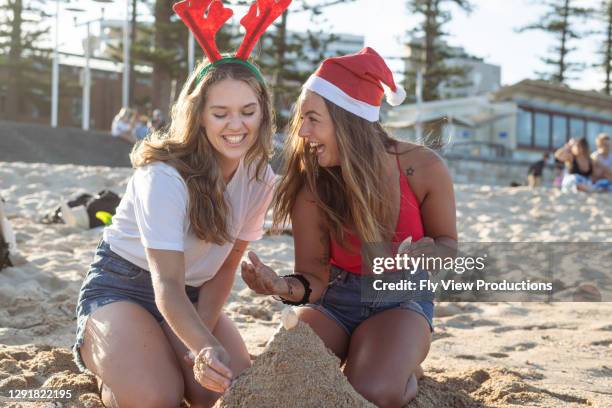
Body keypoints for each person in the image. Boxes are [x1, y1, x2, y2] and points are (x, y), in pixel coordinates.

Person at [72, 0, 290, 404]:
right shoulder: (164, 176)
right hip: (124, 288)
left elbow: (226, 267)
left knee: (228, 394)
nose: (236, 125)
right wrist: (204, 347)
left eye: (247, 111)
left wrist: (197, 344)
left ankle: (157, 354)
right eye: (220, 113)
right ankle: (112, 370)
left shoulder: (260, 180)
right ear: (200, 115)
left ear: (263, 114)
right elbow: (166, 284)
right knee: (157, 397)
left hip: (194, 297)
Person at [241, 47, 457, 407]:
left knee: (373, 392)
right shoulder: (312, 182)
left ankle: (404, 370)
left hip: (399, 299)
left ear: (348, 119)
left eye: (312, 119)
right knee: (285, 375)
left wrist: (432, 253)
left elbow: (448, 245)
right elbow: (313, 280)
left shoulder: (421, 167)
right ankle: (379, 357)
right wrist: (280, 286)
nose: (302, 131)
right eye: (301, 119)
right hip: (335, 299)